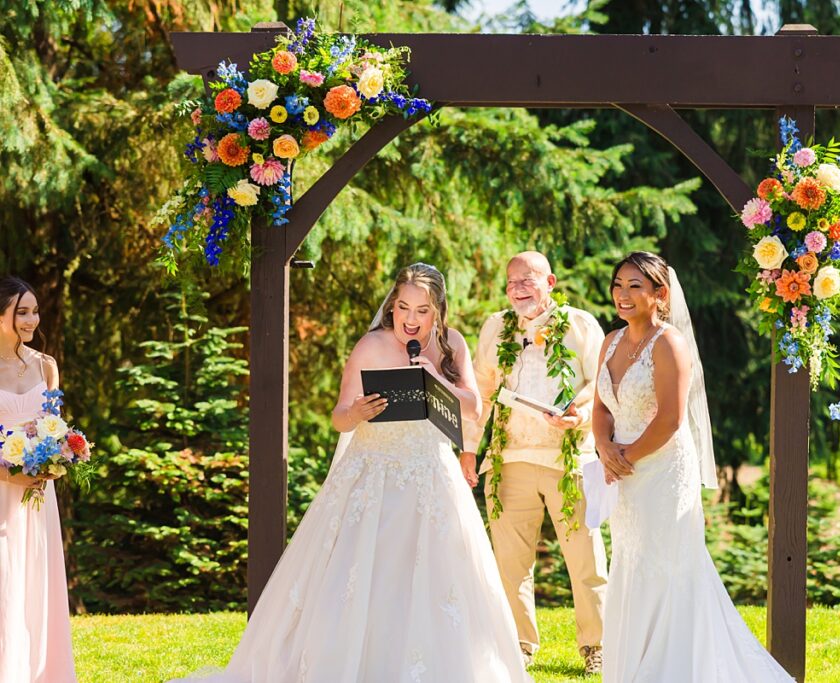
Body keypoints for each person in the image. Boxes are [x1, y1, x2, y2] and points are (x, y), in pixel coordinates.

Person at [171, 263, 529, 682]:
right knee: (364, 580)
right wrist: (356, 412)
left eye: (422, 311)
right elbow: (339, 417)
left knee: (435, 577)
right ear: (391, 306)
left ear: (438, 311)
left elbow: (475, 408)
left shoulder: (451, 345)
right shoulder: (370, 346)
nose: (411, 320)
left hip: (432, 476)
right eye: (403, 308)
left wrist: (436, 379)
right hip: (373, 475)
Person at [594, 252, 792, 682]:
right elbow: (601, 405)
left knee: (666, 563)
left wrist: (624, 456)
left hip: (661, 470)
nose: (623, 295)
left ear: (659, 294)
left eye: (635, 286)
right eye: (618, 285)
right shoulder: (609, 341)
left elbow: (670, 418)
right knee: (630, 558)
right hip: (624, 474)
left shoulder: (669, 343)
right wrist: (602, 444)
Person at [463, 251, 608, 673]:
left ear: (551, 282)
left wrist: (578, 415)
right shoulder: (496, 327)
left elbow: (601, 383)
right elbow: (483, 391)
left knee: (586, 558)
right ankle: (519, 644)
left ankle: (597, 646)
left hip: (568, 459)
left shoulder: (580, 324)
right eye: (511, 282)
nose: (518, 288)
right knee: (510, 563)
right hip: (507, 459)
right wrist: (470, 448)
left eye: (528, 280)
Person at [0, 276, 77, 682]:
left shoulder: (46, 365)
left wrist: (57, 460)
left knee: (34, 579)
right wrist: (7, 475)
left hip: (37, 493)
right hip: (1, 489)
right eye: (21, 312)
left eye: (33, 310)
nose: (32, 319)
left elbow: (53, 427)